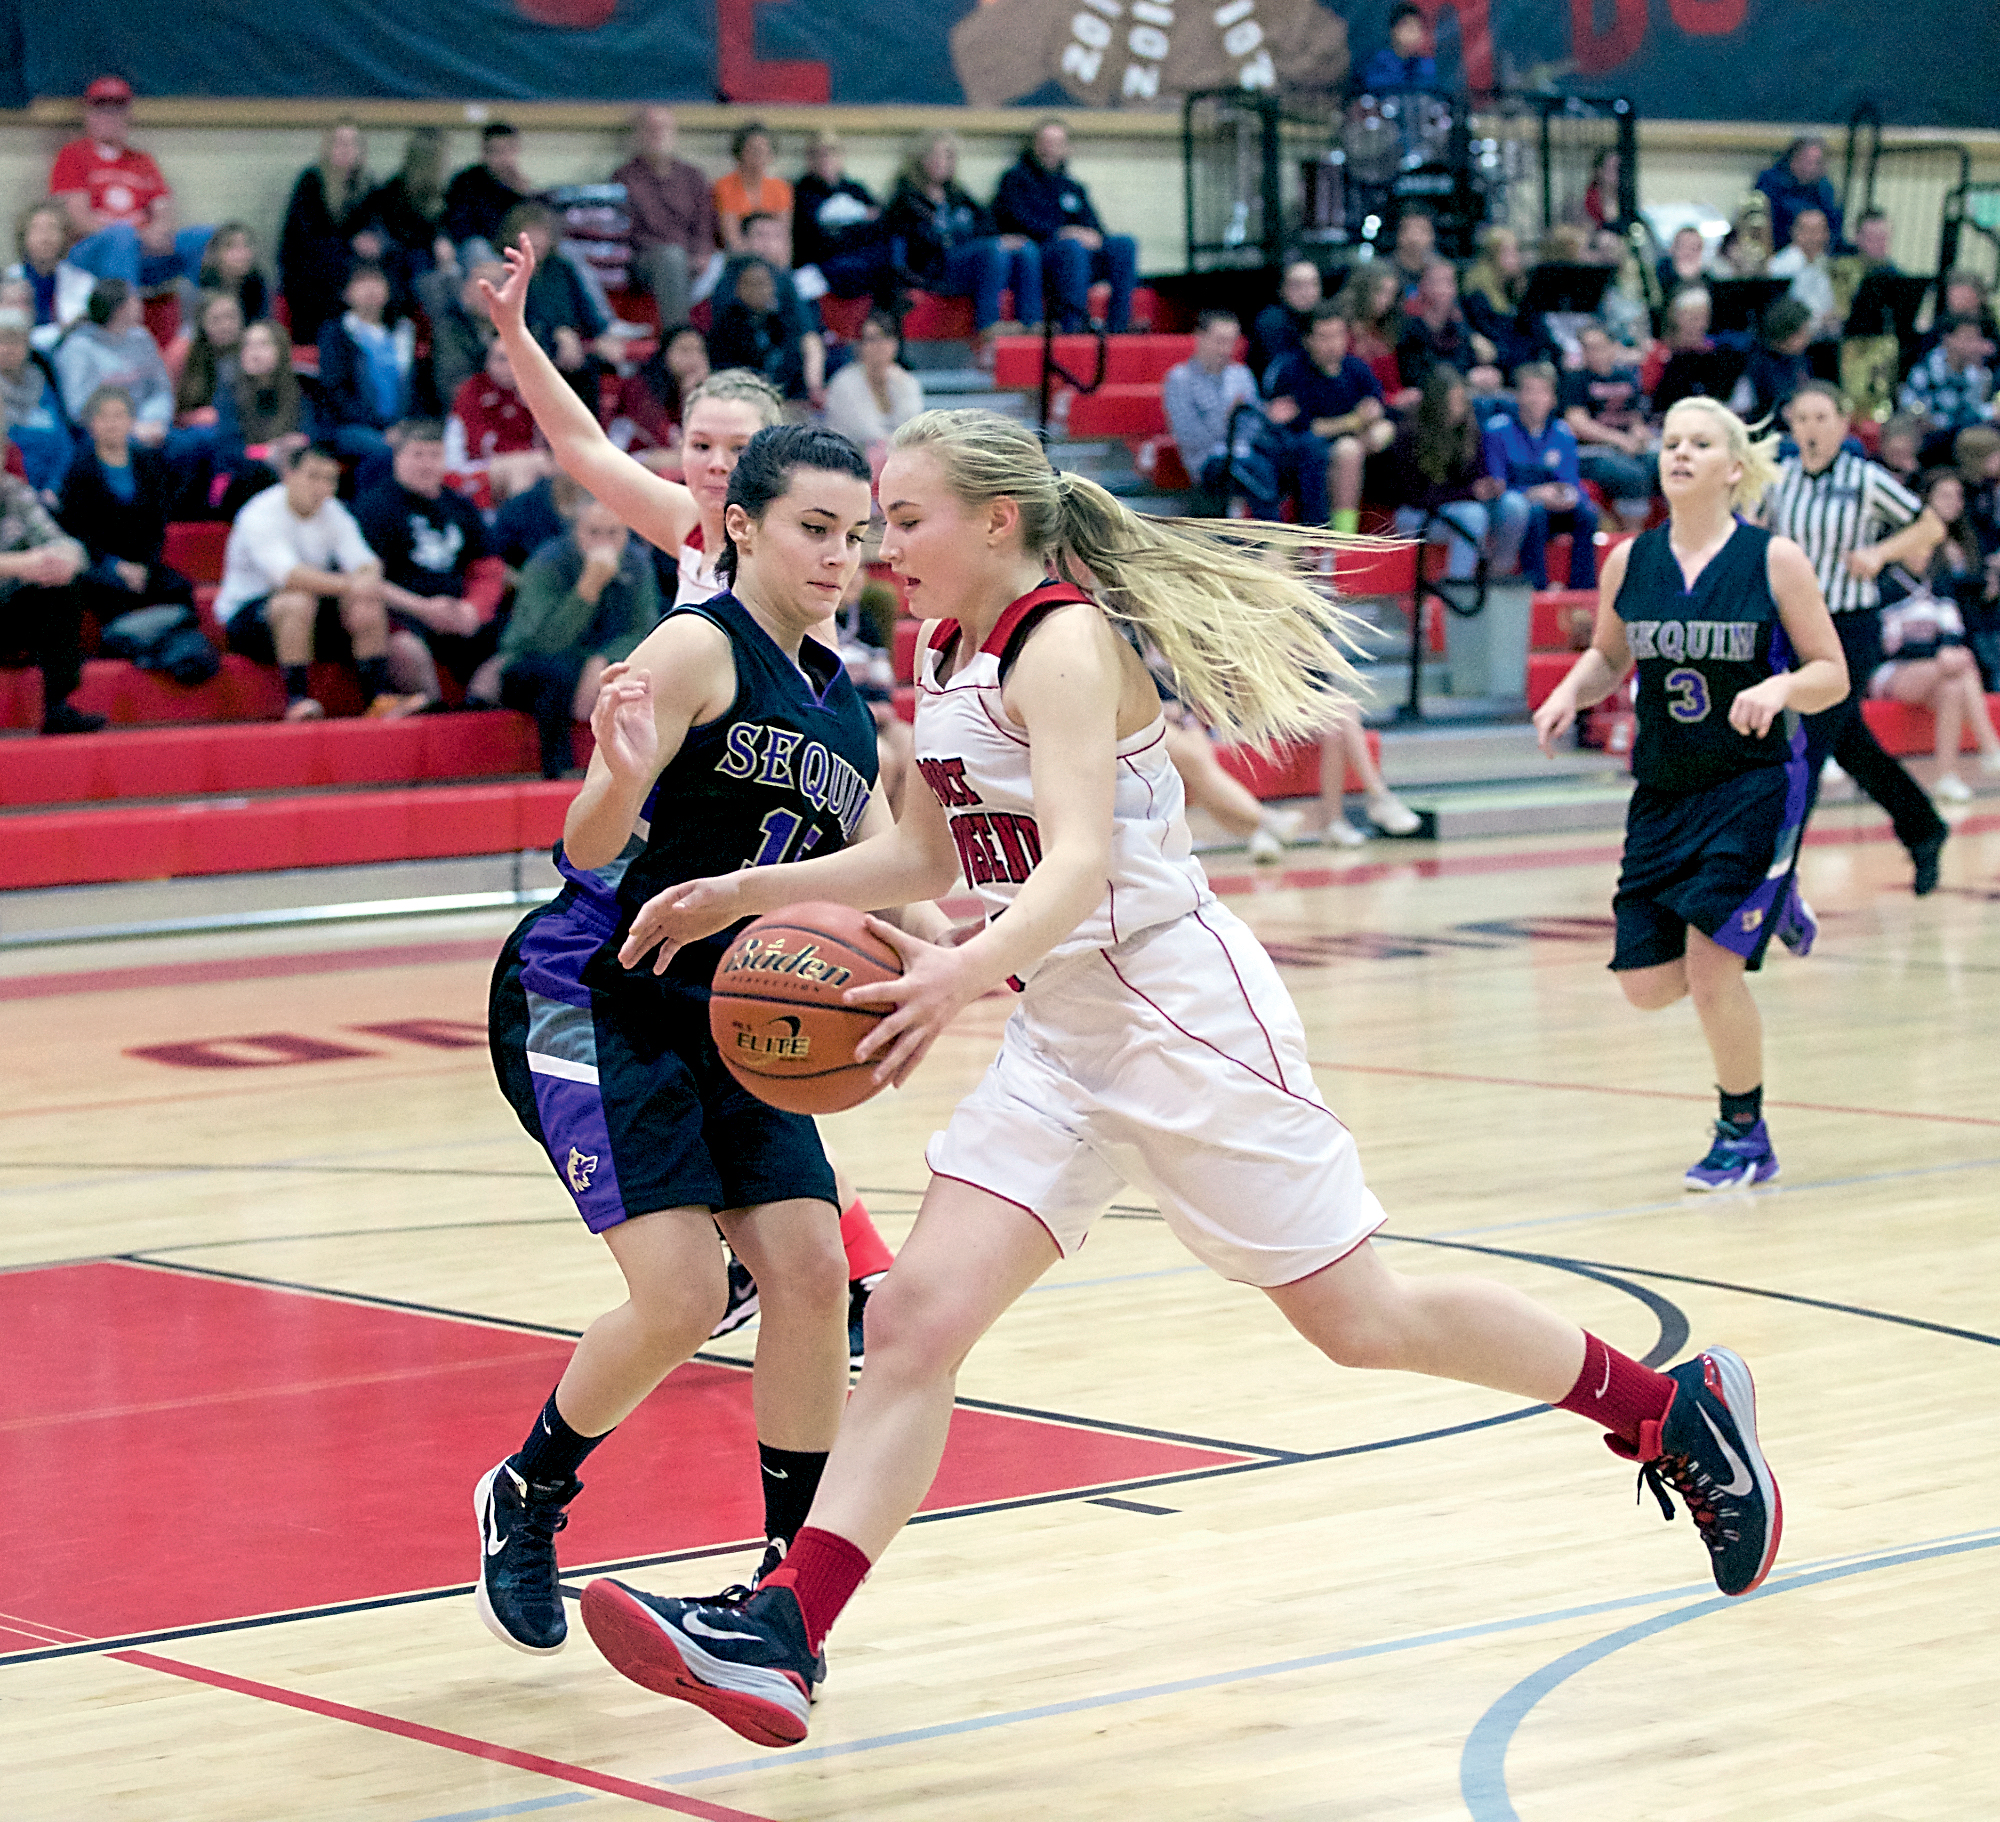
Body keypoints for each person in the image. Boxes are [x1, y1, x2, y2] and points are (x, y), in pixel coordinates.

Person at [581, 404, 1787, 1745]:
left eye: (904, 520)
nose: (882, 550)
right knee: (915, 1320)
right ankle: (784, 1632)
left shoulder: (1067, 644)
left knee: (1361, 1320)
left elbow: (1082, 864)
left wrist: (950, 978)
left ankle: (1674, 1411)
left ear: (994, 520)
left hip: (1180, 1016)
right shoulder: (949, 647)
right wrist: (742, 887)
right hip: (1062, 1035)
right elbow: (929, 861)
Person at [1533, 396, 1847, 1188]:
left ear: (1733, 468)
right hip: (1665, 790)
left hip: (1753, 782)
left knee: (1712, 972)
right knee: (1644, 990)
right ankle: (1775, 909)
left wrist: (1779, 690)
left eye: (1699, 443)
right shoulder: (1627, 562)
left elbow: (1832, 674)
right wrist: (1572, 691)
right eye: (1671, 442)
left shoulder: (1774, 559)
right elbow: (1610, 655)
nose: (1679, 453)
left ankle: (1744, 1133)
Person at [1766, 382, 1951, 894]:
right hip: (1795, 628)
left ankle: (1775, 879)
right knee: (1848, 744)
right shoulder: (1779, 480)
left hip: (1848, 628)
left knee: (1809, 744)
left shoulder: (1865, 479)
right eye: (1801, 418)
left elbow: (1930, 527)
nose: (1811, 429)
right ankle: (1924, 828)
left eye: (1821, 417)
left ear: (1843, 424)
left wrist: (1881, 553)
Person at [212, 440, 424, 722]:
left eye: (329, 480)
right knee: (297, 600)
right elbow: (287, 576)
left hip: (310, 612)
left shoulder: (333, 511)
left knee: (363, 602)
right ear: (289, 475)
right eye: (313, 476)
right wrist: (353, 584)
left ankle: (378, 698)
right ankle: (297, 700)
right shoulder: (260, 513)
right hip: (249, 619)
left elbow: (365, 562)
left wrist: (363, 580)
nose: (321, 487)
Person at [498, 486, 661, 776]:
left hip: (600, 662)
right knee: (554, 677)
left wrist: (602, 660)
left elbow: (646, 630)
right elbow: (543, 641)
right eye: (594, 533)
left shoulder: (637, 563)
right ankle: (558, 774)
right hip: (534, 664)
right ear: (576, 531)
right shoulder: (548, 562)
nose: (604, 543)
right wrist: (588, 588)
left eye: (614, 533)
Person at [1866, 468, 2000, 801]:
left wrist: (1943, 652)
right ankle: (1991, 748)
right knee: (1956, 665)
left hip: (1937, 670)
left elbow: (1954, 629)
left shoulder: (1938, 582)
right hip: (1889, 672)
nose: (1923, 551)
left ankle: (1947, 776)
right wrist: (1937, 653)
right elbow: (1888, 643)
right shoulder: (1885, 585)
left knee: (1954, 682)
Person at [353, 418, 497, 707]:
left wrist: (473, 609)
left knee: (516, 645)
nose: (426, 464)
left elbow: (488, 569)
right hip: (403, 613)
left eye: (435, 455)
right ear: (398, 457)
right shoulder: (374, 508)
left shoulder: (461, 506)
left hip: (458, 611)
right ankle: (433, 712)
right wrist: (423, 609)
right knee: (406, 649)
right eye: (417, 455)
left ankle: (480, 710)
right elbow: (367, 580)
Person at [48, 76, 213, 292]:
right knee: (121, 236)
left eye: (117, 109)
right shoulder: (72, 155)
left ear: (128, 115)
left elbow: (164, 212)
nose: (109, 117)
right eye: (102, 109)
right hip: (92, 253)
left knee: (207, 237)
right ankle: (125, 318)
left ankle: (210, 316)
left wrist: (158, 234)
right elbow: (80, 221)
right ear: (88, 114)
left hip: (143, 252)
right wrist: (138, 237)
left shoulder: (142, 161)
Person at [884, 132, 1041, 349]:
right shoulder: (906, 199)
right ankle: (988, 324)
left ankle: (1032, 322)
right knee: (994, 249)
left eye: (948, 156)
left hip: (971, 263)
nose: (943, 162)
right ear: (920, 159)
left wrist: (1002, 240)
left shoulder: (958, 195)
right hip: (934, 268)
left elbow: (987, 226)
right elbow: (907, 247)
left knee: (1025, 247)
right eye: (936, 155)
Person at [56, 384, 195, 625]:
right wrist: (116, 565)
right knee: (108, 588)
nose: (112, 423)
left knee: (179, 588)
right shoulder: (78, 470)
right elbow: (78, 530)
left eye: (119, 416)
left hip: (143, 562)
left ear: (131, 421)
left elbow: (156, 524)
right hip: (98, 563)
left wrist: (144, 566)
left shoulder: (148, 463)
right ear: (91, 423)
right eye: (103, 416)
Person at [992, 121, 1137, 336]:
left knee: (1124, 244)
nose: (1050, 147)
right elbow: (1017, 222)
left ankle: (1119, 325)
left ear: (1066, 148)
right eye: (1045, 142)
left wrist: (1093, 236)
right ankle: (1073, 327)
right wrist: (1061, 233)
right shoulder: (1015, 180)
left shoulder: (1072, 186)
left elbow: (1094, 227)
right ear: (1034, 145)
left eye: (1057, 142)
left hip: (1079, 253)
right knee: (1072, 247)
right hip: (1041, 255)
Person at [1264, 303, 1396, 533]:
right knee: (1348, 449)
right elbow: (1309, 427)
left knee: (1384, 431)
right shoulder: (1292, 372)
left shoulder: (1355, 367)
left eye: (1338, 335)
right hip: (1309, 455)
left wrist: (1373, 413)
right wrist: (1354, 421)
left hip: (1362, 445)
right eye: (1324, 337)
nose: (1333, 344)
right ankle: (1344, 537)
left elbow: (1376, 404)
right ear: (1308, 340)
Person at [0, 465, 99, 732]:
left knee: (62, 584)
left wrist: (64, 558)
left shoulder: (13, 490)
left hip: (7, 611)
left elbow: (60, 541)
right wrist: (24, 563)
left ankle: (57, 706)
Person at [1382, 365, 1502, 581]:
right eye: (1453, 400)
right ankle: (1457, 587)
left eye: (1461, 399)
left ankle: (1498, 576)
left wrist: (1488, 487)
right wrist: (1468, 492)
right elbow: (1414, 497)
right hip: (1414, 515)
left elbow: (1476, 477)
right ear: (1438, 402)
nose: (1460, 406)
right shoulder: (1410, 435)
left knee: (1507, 509)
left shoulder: (1468, 432)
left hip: (1453, 509)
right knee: (1473, 517)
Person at [1485, 362, 1597, 589]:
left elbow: (1569, 482)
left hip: (1554, 506)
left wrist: (1568, 495)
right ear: (1517, 396)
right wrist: (1533, 494)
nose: (1536, 398)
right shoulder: (1497, 431)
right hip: (1516, 508)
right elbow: (1496, 487)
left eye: (1543, 391)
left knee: (1587, 514)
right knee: (1534, 513)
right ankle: (1536, 587)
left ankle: (1582, 589)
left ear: (1553, 398)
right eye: (1529, 391)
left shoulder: (1562, 433)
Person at [612, 106, 718, 334]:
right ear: (638, 135)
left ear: (674, 133)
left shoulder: (692, 176)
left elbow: (704, 223)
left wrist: (701, 252)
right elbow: (624, 232)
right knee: (671, 257)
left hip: (693, 256)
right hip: (646, 260)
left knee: (740, 263)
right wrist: (679, 252)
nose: (657, 134)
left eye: (663, 129)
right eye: (650, 129)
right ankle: (678, 338)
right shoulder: (624, 177)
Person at [279, 122, 377, 346]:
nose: (345, 149)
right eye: (339, 143)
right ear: (327, 147)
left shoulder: (367, 186)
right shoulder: (311, 183)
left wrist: (373, 242)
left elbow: (378, 229)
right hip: (311, 280)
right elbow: (305, 242)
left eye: (352, 143)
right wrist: (351, 244)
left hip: (353, 276)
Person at [314, 262, 413, 483]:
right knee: (383, 451)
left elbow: (419, 388)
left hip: (403, 425)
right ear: (346, 293)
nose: (370, 288)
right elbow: (336, 392)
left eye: (376, 281)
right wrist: (382, 428)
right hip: (352, 425)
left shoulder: (405, 333)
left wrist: (405, 426)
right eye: (361, 282)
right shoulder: (335, 334)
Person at [51, 280, 177, 452]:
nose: (140, 305)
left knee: (191, 446)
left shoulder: (142, 339)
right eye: (134, 299)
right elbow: (77, 407)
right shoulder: (77, 348)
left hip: (152, 427)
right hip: (102, 435)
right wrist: (130, 428)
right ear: (121, 309)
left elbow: (161, 388)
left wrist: (154, 420)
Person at [1562, 322, 1655, 529]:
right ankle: (1632, 538)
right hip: (1590, 452)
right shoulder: (1575, 379)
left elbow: (1635, 420)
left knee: (1660, 463)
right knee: (1632, 475)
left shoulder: (1626, 377)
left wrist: (1639, 435)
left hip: (1623, 447)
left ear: (1613, 348)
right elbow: (1578, 424)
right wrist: (1620, 440)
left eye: (1598, 346)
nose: (1592, 353)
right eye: (1586, 347)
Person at [792, 133, 896, 310]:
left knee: (890, 259)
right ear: (809, 159)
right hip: (825, 263)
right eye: (818, 153)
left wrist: (839, 229)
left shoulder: (856, 189)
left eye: (831, 152)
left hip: (861, 259)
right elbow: (814, 239)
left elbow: (881, 227)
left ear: (841, 156)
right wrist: (861, 221)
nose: (825, 159)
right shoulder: (801, 192)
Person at [212, 318, 305, 512]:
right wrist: (269, 452)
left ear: (281, 350)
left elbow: (312, 434)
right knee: (261, 475)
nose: (254, 352)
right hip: (239, 478)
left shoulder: (300, 389)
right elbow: (229, 449)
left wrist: (300, 441)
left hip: (288, 473)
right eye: (248, 345)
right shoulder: (228, 392)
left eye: (263, 344)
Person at [823, 314, 924, 467]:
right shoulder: (844, 383)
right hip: (851, 462)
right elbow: (864, 433)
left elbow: (913, 429)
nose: (880, 345)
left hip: (899, 462)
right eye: (872, 339)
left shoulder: (907, 382)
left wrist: (900, 387)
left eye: (886, 338)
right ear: (860, 346)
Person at [608, 323, 710, 472]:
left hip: (674, 455)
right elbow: (667, 438)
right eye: (684, 350)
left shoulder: (707, 389)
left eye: (699, 351)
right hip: (627, 457)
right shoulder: (639, 385)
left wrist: (692, 394)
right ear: (665, 353)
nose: (693, 358)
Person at [0, 307, 76, 496]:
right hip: (12, 493)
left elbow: (63, 442)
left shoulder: (41, 381)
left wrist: (54, 486)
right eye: (3, 341)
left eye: (16, 341)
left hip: (53, 490)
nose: (9, 349)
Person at [416, 256, 505, 409]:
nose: (490, 292)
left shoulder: (524, 327)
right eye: (483, 284)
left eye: (498, 284)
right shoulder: (449, 328)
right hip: (467, 415)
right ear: (466, 289)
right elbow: (453, 386)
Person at [1396, 259, 1498, 393]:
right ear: (1423, 285)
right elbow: (1415, 376)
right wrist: (1466, 378)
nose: (1444, 289)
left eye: (1449, 282)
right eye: (1437, 282)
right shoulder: (1409, 324)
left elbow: (1468, 359)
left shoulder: (1458, 323)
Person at [1461, 227, 1547, 379]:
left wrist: (1524, 296)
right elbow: (1496, 342)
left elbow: (1537, 333)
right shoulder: (1478, 295)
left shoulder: (1514, 290)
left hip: (1520, 360)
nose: (1517, 258)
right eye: (1510, 252)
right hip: (1498, 365)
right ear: (1492, 256)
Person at [8, 202, 93, 351]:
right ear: (24, 236)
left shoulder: (82, 281)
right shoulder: (8, 280)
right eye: (37, 229)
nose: (45, 237)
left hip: (67, 352)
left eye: (52, 229)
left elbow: (79, 326)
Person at [1897, 316, 1995, 442]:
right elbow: (1908, 406)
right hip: (1929, 440)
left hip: (1961, 437)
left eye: (1977, 339)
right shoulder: (1926, 369)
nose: (1974, 345)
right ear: (1948, 338)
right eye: (1968, 339)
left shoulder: (1976, 373)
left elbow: (1973, 411)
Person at [444, 124, 534, 262]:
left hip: (510, 247)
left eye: (508, 150)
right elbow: (461, 227)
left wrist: (522, 195)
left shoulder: (520, 188)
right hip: (475, 247)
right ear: (484, 153)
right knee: (478, 247)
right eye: (496, 151)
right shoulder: (466, 182)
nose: (502, 157)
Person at [1733, 297, 1815, 429]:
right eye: (1802, 333)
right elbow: (1753, 409)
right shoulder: (1758, 364)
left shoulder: (1800, 359)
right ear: (1787, 334)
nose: (1807, 337)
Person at [1754, 137, 1844, 256]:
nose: (1813, 168)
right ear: (1793, 160)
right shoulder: (1770, 184)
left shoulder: (1824, 188)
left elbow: (1833, 227)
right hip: (1777, 252)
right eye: (1808, 161)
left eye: (1819, 163)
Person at [714, 123, 792, 256]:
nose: (759, 156)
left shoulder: (780, 188)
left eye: (764, 151)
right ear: (739, 152)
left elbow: (784, 239)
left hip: (773, 259)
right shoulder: (724, 187)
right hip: (736, 258)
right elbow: (732, 240)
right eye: (753, 150)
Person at [1337, 265, 1410, 402]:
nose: (1386, 301)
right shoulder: (1342, 331)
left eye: (1390, 294)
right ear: (1364, 290)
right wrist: (1393, 400)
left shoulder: (1385, 332)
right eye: (1380, 292)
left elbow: (1392, 384)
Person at [1766, 209, 1838, 343]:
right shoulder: (1781, 267)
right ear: (1795, 233)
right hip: (1792, 339)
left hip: (1825, 338)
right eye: (1809, 231)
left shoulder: (1826, 264)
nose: (1816, 238)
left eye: (1820, 231)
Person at [173, 290, 245, 420]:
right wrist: (193, 418)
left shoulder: (250, 353)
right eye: (216, 319)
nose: (225, 326)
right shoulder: (185, 355)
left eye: (231, 317)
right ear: (202, 324)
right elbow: (173, 410)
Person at [1250, 259, 1322, 384]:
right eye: (1297, 285)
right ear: (1282, 289)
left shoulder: (1325, 318)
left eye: (1313, 284)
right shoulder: (1271, 321)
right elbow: (1279, 371)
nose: (1306, 292)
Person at [191, 222, 270, 327]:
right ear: (216, 253)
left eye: (246, 245)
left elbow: (262, 325)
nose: (242, 253)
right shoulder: (199, 284)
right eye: (232, 246)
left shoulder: (257, 283)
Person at [1359, 2, 1438, 91]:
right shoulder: (1377, 62)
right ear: (1393, 30)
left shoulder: (1427, 65)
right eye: (1408, 27)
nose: (1413, 34)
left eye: (1418, 27)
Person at [1655, 224, 1713, 303]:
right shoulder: (1657, 280)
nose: (1688, 252)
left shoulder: (1711, 282)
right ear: (1672, 248)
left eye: (1694, 247)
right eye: (1683, 246)